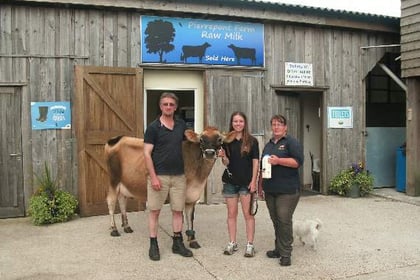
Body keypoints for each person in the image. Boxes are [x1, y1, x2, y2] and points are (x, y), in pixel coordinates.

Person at [143, 92, 193, 261]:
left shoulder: (181, 125)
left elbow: (191, 142)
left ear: (176, 107)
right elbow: (146, 154)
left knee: (177, 211)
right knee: (155, 212)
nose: (169, 107)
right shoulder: (153, 128)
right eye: (165, 104)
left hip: (179, 176)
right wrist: (154, 177)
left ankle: (177, 243)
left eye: (172, 104)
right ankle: (153, 244)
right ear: (160, 106)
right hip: (160, 176)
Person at [262, 114, 304, 266]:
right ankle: (278, 249)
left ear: (285, 127)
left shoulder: (291, 142)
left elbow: (298, 162)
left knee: (284, 220)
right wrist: (261, 185)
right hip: (270, 189)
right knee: (276, 221)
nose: (276, 127)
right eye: (274, 124)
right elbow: (264, 166)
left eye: (279, 124)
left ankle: (286, 254)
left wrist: (278, 161)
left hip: (288, 190)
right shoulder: (269, 144)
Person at [218, 111, 259, 257]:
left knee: (248, 215)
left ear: (245, 123)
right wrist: (223, 157)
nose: (238, 124)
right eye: (235, 121)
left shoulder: (252, 141)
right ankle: (232, 242)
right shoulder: (226, 141)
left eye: (240, 121)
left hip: (246, 183)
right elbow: (226, 163)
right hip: (230, 182)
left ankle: (250, 244)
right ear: (231, 123)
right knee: (231, 214)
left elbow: (255, 162)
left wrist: (254, 181)